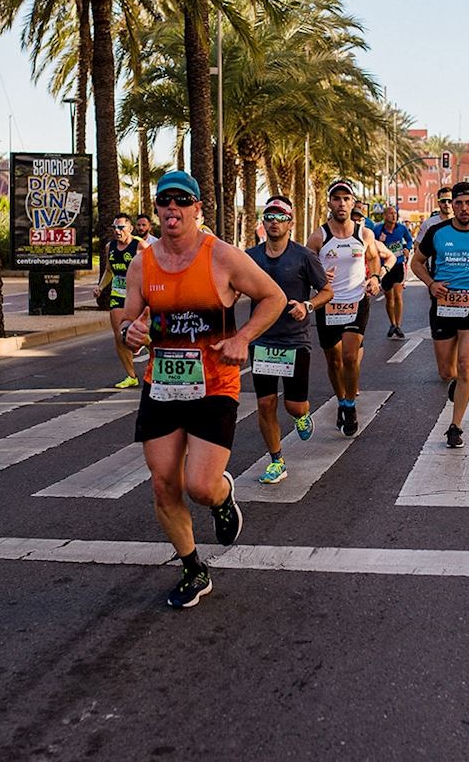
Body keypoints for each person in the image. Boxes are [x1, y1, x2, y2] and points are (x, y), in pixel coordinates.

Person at [119, 171, 286, 608]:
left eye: (181, 201)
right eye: (163, 201)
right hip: (162, 386)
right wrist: (130, 332)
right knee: (162, 485)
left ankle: (223, 495)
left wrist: (243, 337)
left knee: (200, 486)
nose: (171, 209)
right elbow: (126, 319)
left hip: (214, 385)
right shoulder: (143, 262)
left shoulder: (222, 257)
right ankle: (194, 568)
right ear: (155, 210)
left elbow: (274, 297)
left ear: (197, 209)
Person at [410, 181, 469, 448]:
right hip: (443, 304)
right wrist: (431, 284)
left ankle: (455, 426)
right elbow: (416, 263)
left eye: (468, 203)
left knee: (466, 363)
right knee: (446, 371)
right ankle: (455, 383)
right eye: (458, 203)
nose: (463, 208)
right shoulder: (437, 232)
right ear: (451, 205)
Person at [244, 196, 333, 483]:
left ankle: (302, 414)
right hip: (262, 341)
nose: (274, 221)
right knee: (265, 404)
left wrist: (306, 306)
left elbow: (326, 291)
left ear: (290, 224)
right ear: (263, 222)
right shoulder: (250, 257)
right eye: (269, 216)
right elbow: (232, 288)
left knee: (294, 406)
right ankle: (276, 460)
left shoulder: (304, 256)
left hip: (294, 341)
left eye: (280, 217)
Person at [307, 179, 382, 437]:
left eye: (346, 199)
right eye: (336, 198)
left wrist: (375, 278)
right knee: (333, 359)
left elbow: (374, 257)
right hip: (327, 303)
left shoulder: (364, 234)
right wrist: (317, 277)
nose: (341, 203)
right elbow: (306, 266)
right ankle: (340, 399)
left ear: (353, 203)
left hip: (356, 300)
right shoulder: (319, 236)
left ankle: (350, 405)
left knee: (350, 357)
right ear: (329, 203)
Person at [95, 214, 143, 389]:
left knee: (142, 334)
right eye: (114, 228)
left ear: (130, 229)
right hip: (118, 294)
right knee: (119, 336)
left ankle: (154, 364)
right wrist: (100, 287)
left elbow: (152, 269)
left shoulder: (140, 246)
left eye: (121, 228)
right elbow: (109, 270)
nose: (117, 231)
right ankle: (131, 375)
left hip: (137, 295)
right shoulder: (110, 247)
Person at [375, 205, 413, 339]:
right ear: (385, 216)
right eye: (390, 213)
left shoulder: (401, 228)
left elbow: (409, 239)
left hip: (397, 264)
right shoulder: (378, 229)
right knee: (389, 297)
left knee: (398, 295)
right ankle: (392, 324)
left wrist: (407, 248)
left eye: (395, 213)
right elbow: (371, 244)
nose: (393, 216)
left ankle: (398, 324)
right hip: (385, 266)